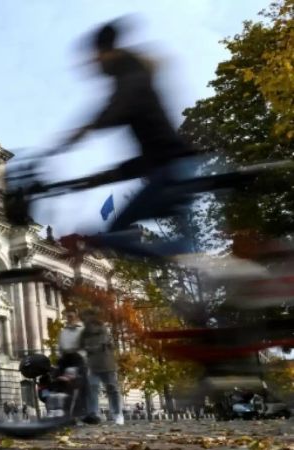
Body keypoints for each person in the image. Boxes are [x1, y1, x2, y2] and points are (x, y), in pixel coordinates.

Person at [57, 20, 196, 258]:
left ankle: (93, 242)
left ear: (107, 51)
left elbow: (121, 106)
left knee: (117, 234)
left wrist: (84, 130)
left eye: (96, 55)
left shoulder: (132, 77)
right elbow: (150, 153)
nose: (93, 63)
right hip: (171, 168)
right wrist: (105, 177)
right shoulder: (133, 77)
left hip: (171, 171)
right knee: (170, 244)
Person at [81, 309, 123, 425]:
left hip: (106, 363)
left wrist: (94, 348)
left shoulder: (103, 330)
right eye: (84, 319)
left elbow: (107, 345)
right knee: (92, 388)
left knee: (112, 388)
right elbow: (82, 346)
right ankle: (93, 414)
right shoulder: (84, 333)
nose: (85, 321)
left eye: (86, 318)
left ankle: (117, 414)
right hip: (93, 365)